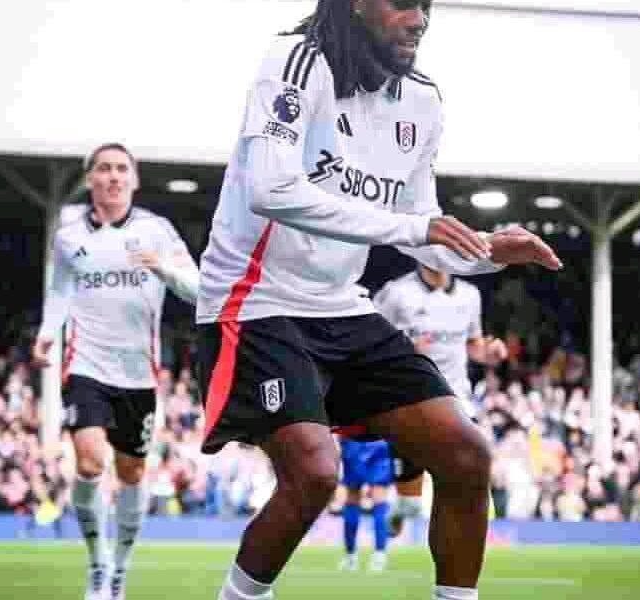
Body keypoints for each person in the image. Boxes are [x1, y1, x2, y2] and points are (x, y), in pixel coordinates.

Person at [195, 2, 562, 599]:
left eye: (425, 5)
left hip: (341, 304)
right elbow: (269, 187)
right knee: (314, 473)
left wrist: (489, 251)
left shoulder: (422, 101)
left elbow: (421, 223)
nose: (418, 18)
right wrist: (416, 229)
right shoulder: (295, 61)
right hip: (254, 299)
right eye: (402, 2)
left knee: (467, 455)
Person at [32, 143, 199, 600]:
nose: (113, 176)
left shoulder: (157, 231)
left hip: (138, 375)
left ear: (134, 180)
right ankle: (97, 563)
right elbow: (60, 291)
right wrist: (48, 332)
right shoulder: (69, 234)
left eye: (122, 169)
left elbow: (198, 289)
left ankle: (120, 570)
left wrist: (162, 268)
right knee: (88, 461)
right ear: (90, 179)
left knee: (130, 474)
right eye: (103, 169)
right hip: (85, 365)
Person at [373, 263, 508, 536]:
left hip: (456, 397)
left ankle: (455, 554)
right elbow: (368, 340)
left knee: (462, 473)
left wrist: (488, 353)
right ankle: (401, 510)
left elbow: (473, 344)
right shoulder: (396, 293)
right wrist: (403, 349)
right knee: (411, 504)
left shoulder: (469, 295)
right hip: (408, 399)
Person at [336, 434, 393, 572]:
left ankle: (351, 557)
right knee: (380, 499)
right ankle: (379, 556)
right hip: (380, 440)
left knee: (352, 497)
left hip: (353, 439)